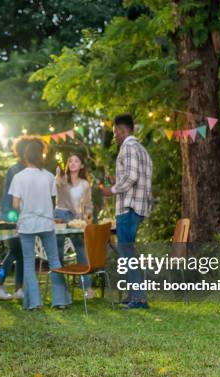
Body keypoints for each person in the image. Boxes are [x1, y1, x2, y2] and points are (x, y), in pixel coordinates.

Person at [8, 138, 71, 310]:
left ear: (26, 157)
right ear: (41, 156)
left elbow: (14, 205)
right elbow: (53, 199)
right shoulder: (49, 176)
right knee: (54, 261)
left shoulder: (18, 177)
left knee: (28, 263)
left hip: (27, 224)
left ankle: (34, 303)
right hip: (46, 223)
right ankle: (60, 301)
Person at [102, 113, 152, 309]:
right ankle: (134, 295)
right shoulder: (141, 149)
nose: (115, 137)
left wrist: (111, 190)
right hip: (137, 206)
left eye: (116, 133)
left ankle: (138, 299)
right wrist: (116, 182)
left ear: (124, 131)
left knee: (127, 253)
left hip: (128, 207)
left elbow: (131, 177)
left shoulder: (128, 146)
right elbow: (136, 178)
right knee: (128, 251)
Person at [54, 153, 94, 298]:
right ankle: (61, 289)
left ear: (81, 165)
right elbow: (56, 188)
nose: (72, 163)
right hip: (60, 217)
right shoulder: (62, 180)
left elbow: (88, 205)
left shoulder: (85, 184)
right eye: (70, 160)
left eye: (76, 161)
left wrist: (88, 217)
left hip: (76, 220)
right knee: (58, 253)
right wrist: (57, 176)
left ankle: (88, 288)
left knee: (81, 251)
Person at [0, 136, 31, 300]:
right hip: (12, 215)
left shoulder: (31, 169)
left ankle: (18, 289)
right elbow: (11, 198)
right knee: (14, 251)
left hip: (24, 216)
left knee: (20, 252)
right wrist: (12, 218)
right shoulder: (15, 170)